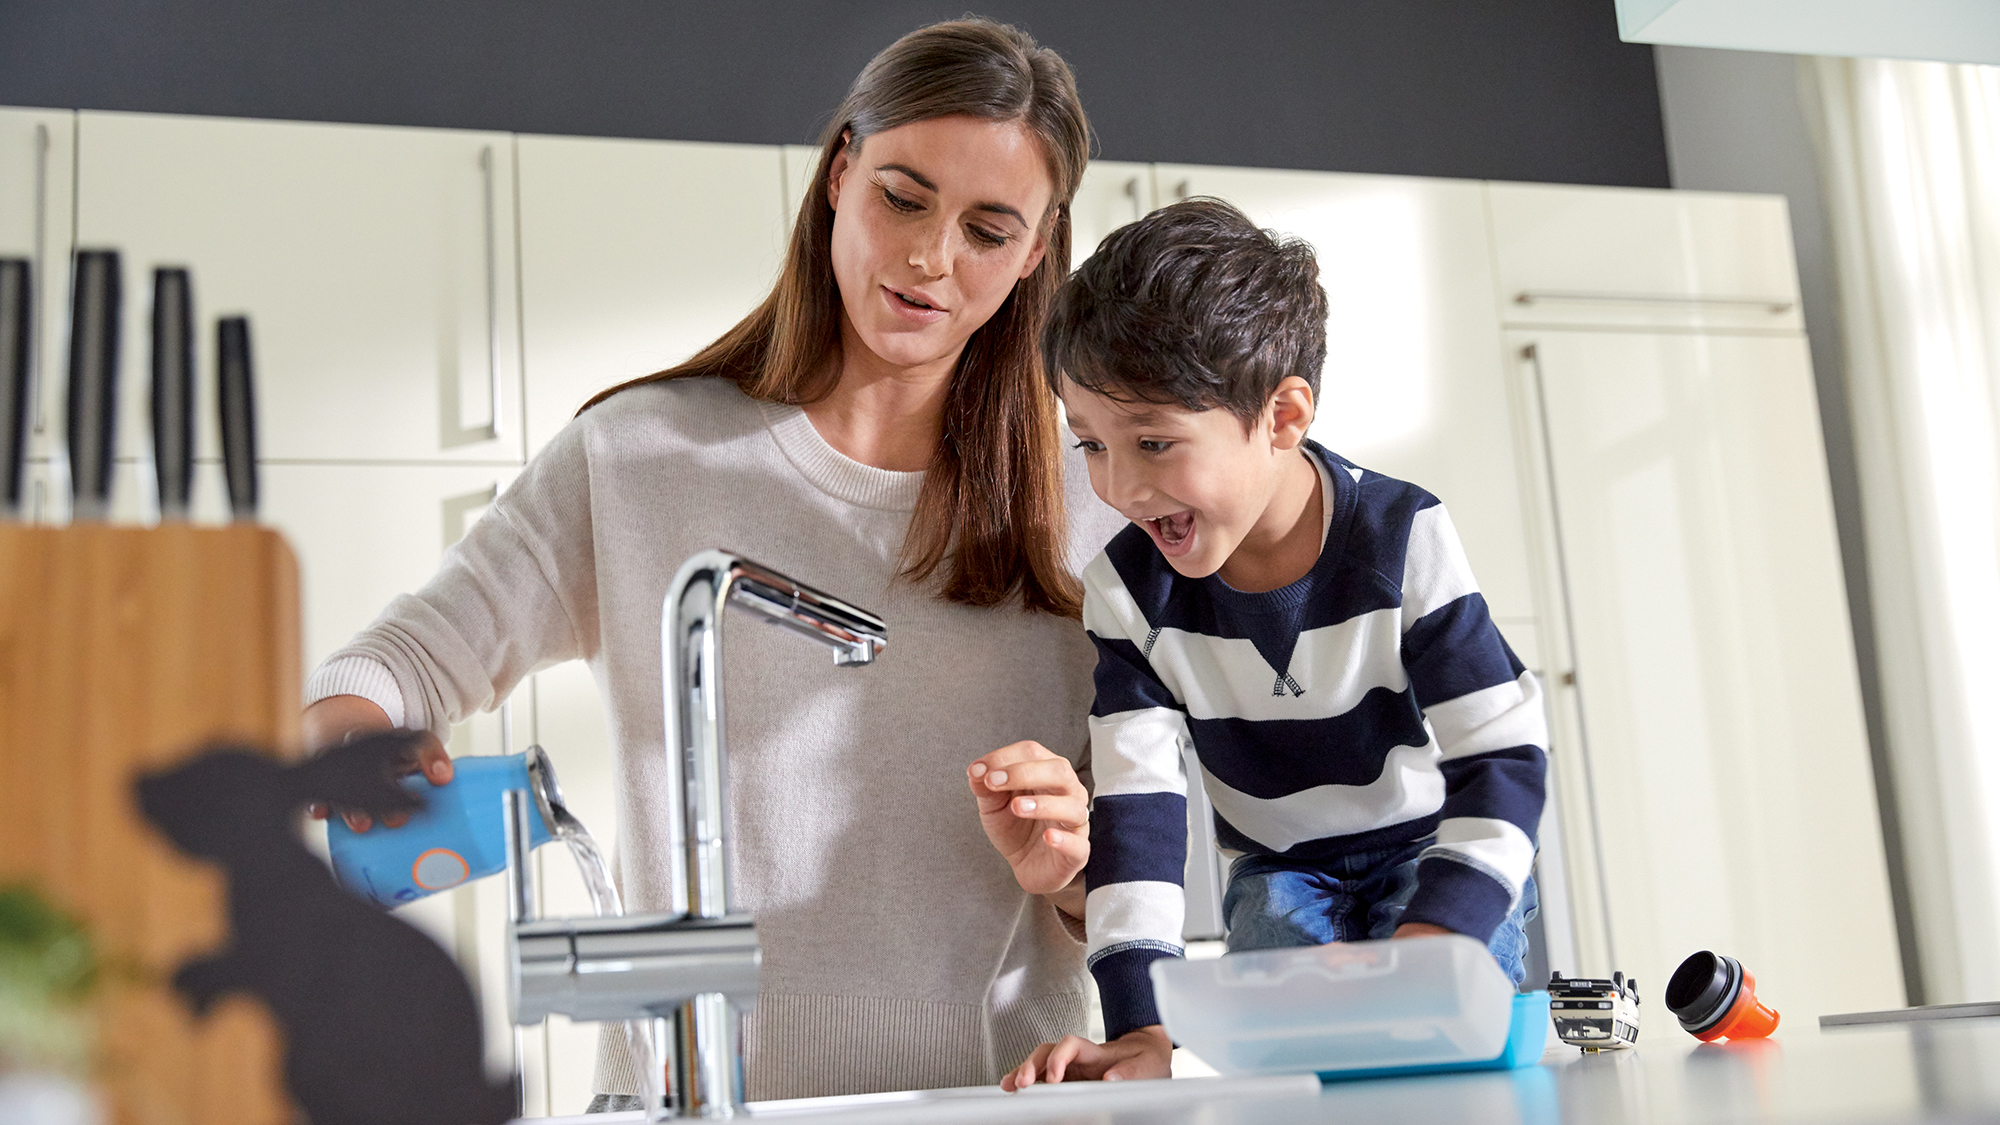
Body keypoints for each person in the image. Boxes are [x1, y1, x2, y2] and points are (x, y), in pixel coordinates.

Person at [301, 19, 1124, 1106]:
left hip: (1000, 1096)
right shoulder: (642, 456)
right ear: (839, 175)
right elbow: (397, 662)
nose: (931, 258)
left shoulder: (1094, 499)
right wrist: (356, 747)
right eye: (902, 197)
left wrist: (1075, 868)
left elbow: (1162, 862)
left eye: (986, 228)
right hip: (691, 1097)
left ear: (1035, 250)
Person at [973, 199, 1548, 1087]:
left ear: (1282, 416)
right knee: (1299, 1081)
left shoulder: (1402, 538)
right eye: (1090, 443)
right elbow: (1140, 816)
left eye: (1155, 441)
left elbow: (1503, 751)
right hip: (1281, 874)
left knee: (1442, 1064)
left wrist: (1442, 932)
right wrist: (1140, 1025)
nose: (1120, 485)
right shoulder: (1129, 594)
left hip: (1428, 849)